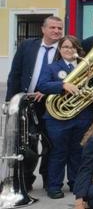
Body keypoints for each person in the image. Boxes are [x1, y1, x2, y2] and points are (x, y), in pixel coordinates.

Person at [6, 15, 63, 191]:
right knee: (25, 142)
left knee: (50, 144)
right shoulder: (27, 46)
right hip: (26, 102)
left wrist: (46, 91)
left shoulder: (65, 48)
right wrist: (10, 101)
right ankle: (25, 180)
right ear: (43, 29)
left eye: (59, 28)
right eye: (52, 27)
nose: (56, 31)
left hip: (51, 104)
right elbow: (15, 74)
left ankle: (48, 180)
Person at [36, 36, 90, 199]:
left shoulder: (86, 66)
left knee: (77, 152)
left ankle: (75, 183)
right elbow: (42, 85)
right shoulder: (52, 67)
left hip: (81, 116)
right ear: (60, 49)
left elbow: (92, 86)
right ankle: (54, 186)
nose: (69, 50)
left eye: (73, 47)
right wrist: (62, 85)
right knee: (58, 152)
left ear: (77, 50)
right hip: (57, 119)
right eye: (65, 47)